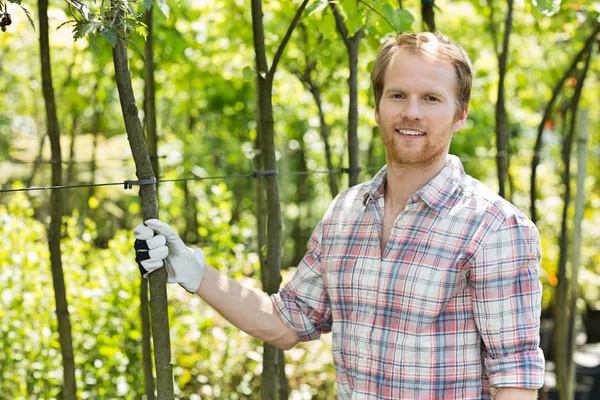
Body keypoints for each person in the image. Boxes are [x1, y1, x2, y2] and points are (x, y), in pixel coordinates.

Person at [133, 32, 544, 399]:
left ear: (460, 114)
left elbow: (515, 380)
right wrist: (193, 271)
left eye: (431, 98)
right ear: (378, 106)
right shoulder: (346, 212)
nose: (411, 112)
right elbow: (287, 322)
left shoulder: (495, 227)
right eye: (397, 95)